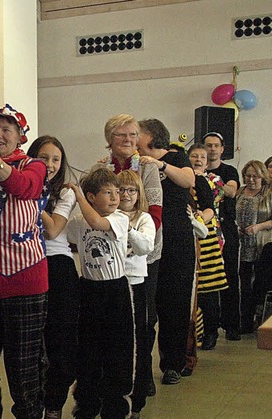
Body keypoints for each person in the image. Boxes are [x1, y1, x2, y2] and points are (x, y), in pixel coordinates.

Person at [0, 104, 49, 419]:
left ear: (19, 136)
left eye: (6, 129)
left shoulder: (34, 165)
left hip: (26, 281)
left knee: (23, 364)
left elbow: (23, 187)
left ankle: (29, 413)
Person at [98, 114, 162, 396]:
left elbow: (155, 209)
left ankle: (143, 376)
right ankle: (112, 377)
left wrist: (137, 236)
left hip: (142, 257)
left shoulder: (146, 167)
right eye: (121, 135)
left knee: (143, 321)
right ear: (109, 139)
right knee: (111, 322)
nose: (128, 140)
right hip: (109, 259)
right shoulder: (100, 168)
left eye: (133, 135)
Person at [65, 168, 133, 419]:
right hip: (89, 288)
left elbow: (97, 222)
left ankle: (116, 405)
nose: (116, 197)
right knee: (89, 348)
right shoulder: (78, 221)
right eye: (108, 192)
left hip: (115, 290)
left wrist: (78, 195)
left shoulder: (120, 218)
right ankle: (86, 401)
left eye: (117, 192)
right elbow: (64, 232)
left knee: (117, 348)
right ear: (92, 196)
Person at [137, 118, 195, 386]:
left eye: (139, 133)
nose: (134, 137)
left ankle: (173, 363)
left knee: (175, 304)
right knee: (148, 307)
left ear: (152, 136)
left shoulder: (176, 155)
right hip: (149, 240)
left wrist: (160, 165)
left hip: (177, 239)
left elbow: (187, 179)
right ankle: (143, 371)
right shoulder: (136, 161)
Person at [27, 135, 79, 419]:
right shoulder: (17, 184)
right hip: (27, 263)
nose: (49, 164)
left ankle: (54, 405)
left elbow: (53, 230)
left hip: (58, 266)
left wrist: (32, 192)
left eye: (56, 159)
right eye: (43, 158)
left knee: (62, 341)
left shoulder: (66, 192)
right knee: (31, 345)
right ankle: (32, 404)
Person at [116, 169, 155, 419]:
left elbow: (145, 248)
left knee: (136, 345)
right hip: (110, 283)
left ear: (139, 193)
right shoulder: (105, 215)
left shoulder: (144, 219)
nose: (127, 195)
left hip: (135, 284)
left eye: (132, 190)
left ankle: (136, 401)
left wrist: (127, 227)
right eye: (121, 190)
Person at [235, 160, 272, 333]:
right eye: (247, 176)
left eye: (255, 176)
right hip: (243, 246)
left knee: (260, 285)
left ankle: (260, 318)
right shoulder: (239, 192)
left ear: (262, 176)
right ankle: (245, 320)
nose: (251, 179)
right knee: (244, 285)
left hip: (265, 246)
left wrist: (259, 227)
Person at [188, 143, 229, 350]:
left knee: (209, 289)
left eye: (202, 157)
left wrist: (198, 219)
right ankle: (196, 332)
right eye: (194, 156)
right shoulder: (180, 178)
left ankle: (211, 331)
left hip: (207, 236)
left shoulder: (210, 181)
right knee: (192, 290)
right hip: (187, 238)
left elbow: (211, 208)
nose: (198, 160)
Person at [203, 132, 241, 341]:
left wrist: (212, 180)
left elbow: (231, 191)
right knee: (208, 281)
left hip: (226, 229)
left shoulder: (229, 170)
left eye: (216, 145)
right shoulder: (195, 171)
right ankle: (209, 330)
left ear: (222, 148)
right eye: (208, 145)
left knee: (229, 277)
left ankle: (232, 325)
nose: (212, 149)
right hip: (205, 231)